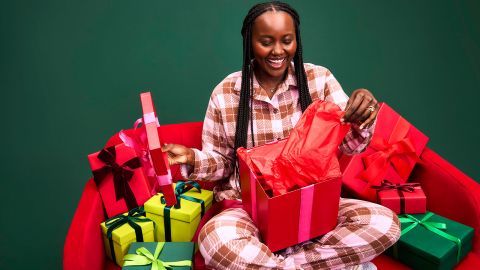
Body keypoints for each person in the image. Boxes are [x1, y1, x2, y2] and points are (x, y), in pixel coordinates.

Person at [162, 2, 400, 269]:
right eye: (266, 41)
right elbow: (225, 164)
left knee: (385, 223)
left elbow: (351, 146)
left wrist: (363, 116)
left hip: (313, 208)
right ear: (249, 42)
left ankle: (281, 265)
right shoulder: (226, 92)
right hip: (250, 211)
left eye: (287, 41)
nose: (278, 51)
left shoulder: (319, 80)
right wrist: (192, 158)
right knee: (214, 242)